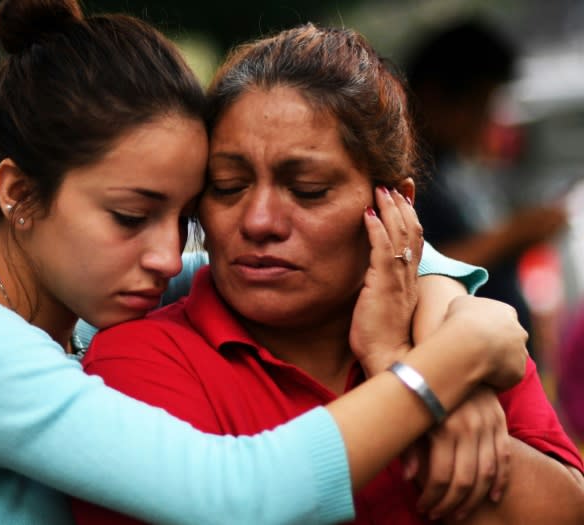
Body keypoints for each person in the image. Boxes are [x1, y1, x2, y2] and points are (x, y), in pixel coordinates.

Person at [0, 2, 530, 524]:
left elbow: (386, 253)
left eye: (189, 211)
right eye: (131, 216)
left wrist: (448, 311)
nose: (169, 252)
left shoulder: (100, 293)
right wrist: (444, 365)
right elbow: (238, 496)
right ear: (18, 193)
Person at [76, 23, 584, 525]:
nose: (258, 222)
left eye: (309, 189)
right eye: (228, 186)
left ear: (394, 206)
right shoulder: (138, 358)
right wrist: (429, 382)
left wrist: (399, 357)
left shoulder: (459, 330)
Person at [405, 18, 569, 361]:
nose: (487, 118)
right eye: (481, 103)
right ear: (437, 96)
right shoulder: (405, 178)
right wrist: (513, 235)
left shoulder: (451, 168)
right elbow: (414, 268)